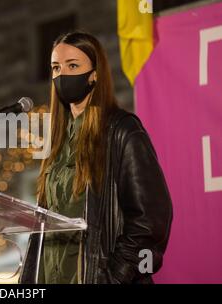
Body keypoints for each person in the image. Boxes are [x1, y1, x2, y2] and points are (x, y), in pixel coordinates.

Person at [19, 31, 173, 284]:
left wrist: (114, 276)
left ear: (95, 74)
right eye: (56, 67)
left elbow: (150, 221)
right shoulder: (55, 141)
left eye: (73, 66)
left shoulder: (122, 130)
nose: (62, 75)